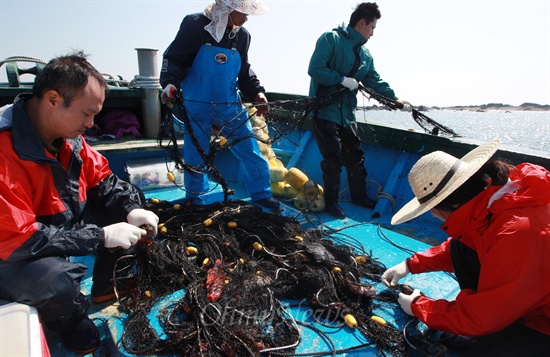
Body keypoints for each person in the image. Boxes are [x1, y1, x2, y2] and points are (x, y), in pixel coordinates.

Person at [0, 52, 159, 354]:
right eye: (86, 114)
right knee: (58, 283)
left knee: (130, 203)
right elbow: (18, 239)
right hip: (9, 250)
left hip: (54, 225)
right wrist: (100, 236)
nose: (92, 124)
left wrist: (131, 210)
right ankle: (70, 320)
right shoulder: (4, 149)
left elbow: (103, 181)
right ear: (53, 99)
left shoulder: (70, 137)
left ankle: (103, 287)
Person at [381, 138, 550, 356]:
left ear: (453, 204)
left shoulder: (516, 232)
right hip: (529, 293)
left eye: (433, 207)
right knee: (461, 248)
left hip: (544, 322)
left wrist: (418, 306)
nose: (432, 214)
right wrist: (410, 264)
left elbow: (484, 317)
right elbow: (468, 242)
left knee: (488, 350)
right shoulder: (499, 198)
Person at [160, 0, 279, 209]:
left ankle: (261, 193)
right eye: (243, 12)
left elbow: (245, 72)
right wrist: (170, 84)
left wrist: (257, 93)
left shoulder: (242, 36)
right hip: (197, 103)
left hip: (229, 104)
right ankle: (197, 197)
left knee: (249, 148)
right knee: (196, 154)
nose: (247, 17)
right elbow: (174, 59)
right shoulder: (194, 25)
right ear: (228, 8)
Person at [308, 2, 412, 219]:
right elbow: (315, 69)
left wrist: (394, 99)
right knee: (333, 158)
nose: (373, 33)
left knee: (356, 156)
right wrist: (341, 79)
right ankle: (331, 203)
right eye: (372, 28)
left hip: (347, 115)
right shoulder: (331, 38)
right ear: (362, 22)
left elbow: (374, 80)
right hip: (324, 112)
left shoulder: (365, 54)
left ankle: (358, 196)